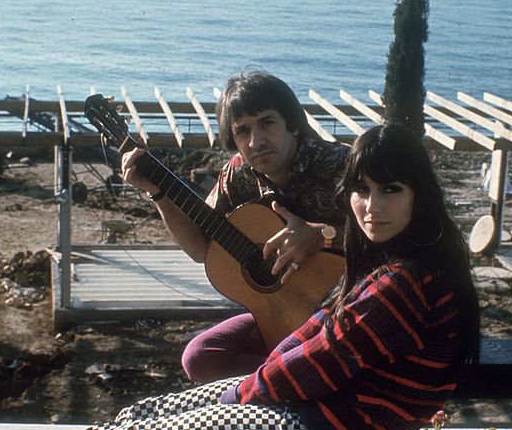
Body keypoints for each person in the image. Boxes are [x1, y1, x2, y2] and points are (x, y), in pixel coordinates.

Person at [0, 124, 481, 430]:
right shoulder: (396, 258)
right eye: (361, 190)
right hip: (321, 417)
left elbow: (320, 366)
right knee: (137, 417)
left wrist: (243, 395)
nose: (370, 206)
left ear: (419, 194)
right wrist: (251, 387)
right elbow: (317, 332)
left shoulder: (406, 282)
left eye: (390, 191)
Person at [121, 70, 348, 381]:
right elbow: (203, 249)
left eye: (267, 123)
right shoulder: (237, 175)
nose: (256, 141)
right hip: (281, 316)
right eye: (243, 131)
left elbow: (399, 239)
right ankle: (292, 377)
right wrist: (158, 193)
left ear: (292, 124)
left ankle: (290, 377)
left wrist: (322, 236)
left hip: (345, 311)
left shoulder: (342, 167)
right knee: (199, 357)